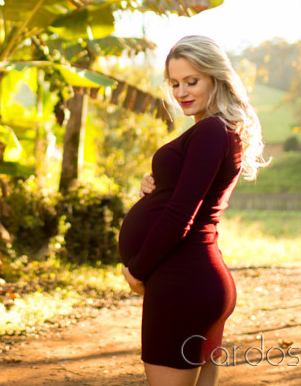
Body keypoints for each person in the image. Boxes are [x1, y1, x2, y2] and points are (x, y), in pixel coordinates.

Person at [117, 35, 268, 386]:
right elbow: (189, 194)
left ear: (216, 78)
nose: (181, 91)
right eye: (174, 83)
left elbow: (180, 215)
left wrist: (138, 270)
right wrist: (155, 185)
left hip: (183, 286)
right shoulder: (214, 130)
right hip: (193, 281)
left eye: (192, 81)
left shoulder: (212, 130)